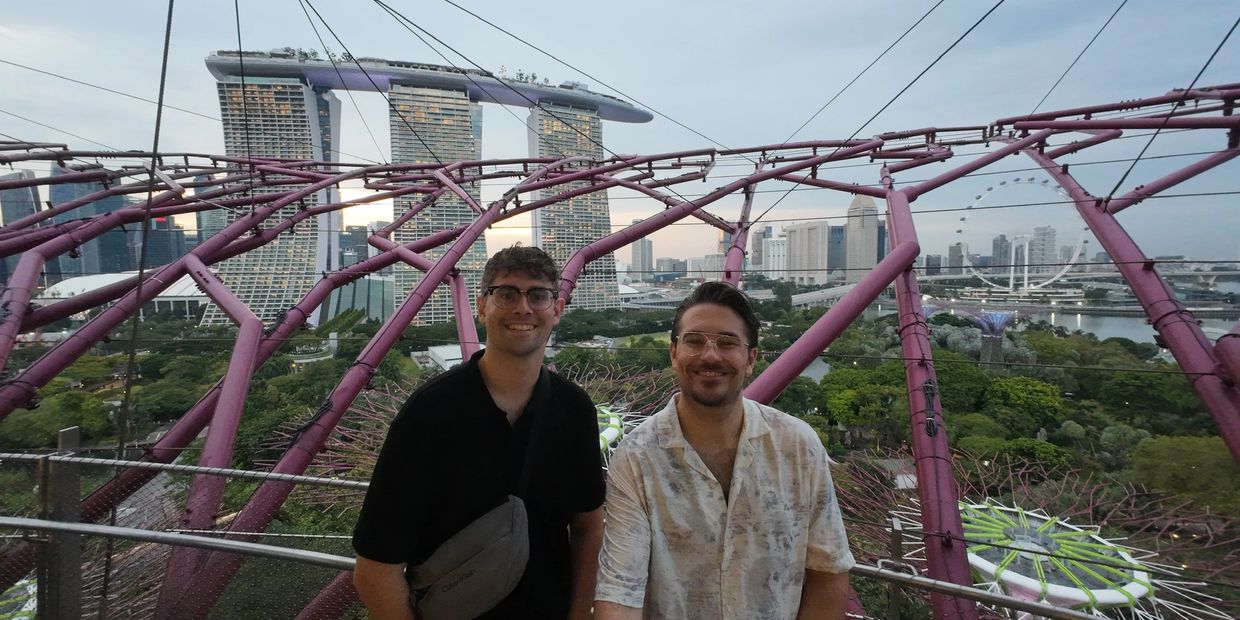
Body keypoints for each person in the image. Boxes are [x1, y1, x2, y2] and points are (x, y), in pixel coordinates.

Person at [353, 245, 605, 619]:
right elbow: (375, 568)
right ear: (482, 306)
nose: (523, 308)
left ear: (557, 309)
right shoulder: (431, 413)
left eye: (538, 295)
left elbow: (587, 528)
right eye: (506, 294)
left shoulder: (574, 410)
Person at [595, 281, 855, 619]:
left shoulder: (797, 446)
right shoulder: (636, 458)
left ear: (750, 359)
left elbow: (828, 570)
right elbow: (620, 591)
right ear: (674, 353)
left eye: (727, 343)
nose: (710, 355)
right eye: (694, 341)